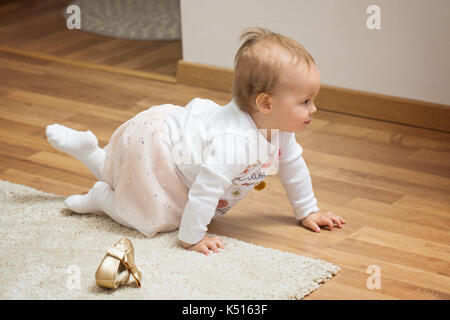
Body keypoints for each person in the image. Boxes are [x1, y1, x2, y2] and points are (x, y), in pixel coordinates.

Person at [45, 26, 345, 256]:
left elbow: (293, 167)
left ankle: (89, 151)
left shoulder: (280, 130)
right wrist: (192, 237)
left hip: (179, 152)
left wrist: (308, 210)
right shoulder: (234, 142)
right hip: (162, 153)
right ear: (266, 104)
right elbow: (205, 192)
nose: (313, 109)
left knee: (125, 176)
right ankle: (100, 198)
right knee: (149, 215)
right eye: (305, 101)